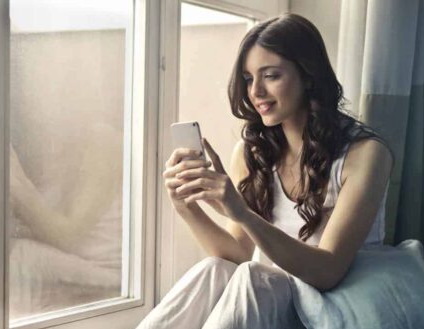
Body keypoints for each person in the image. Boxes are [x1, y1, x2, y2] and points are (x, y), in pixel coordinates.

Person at [137, 13, 394, 329]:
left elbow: (329, 272)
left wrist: (242, 212)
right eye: (248, 78)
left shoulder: (366, 154)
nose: (255, 91)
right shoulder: (253, 152)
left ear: (308, 76)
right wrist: (187, 207)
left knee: (251, 277)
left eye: (270, 75)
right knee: (214, 269)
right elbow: (236, 255)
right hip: (275, 296)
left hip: (341, 301)